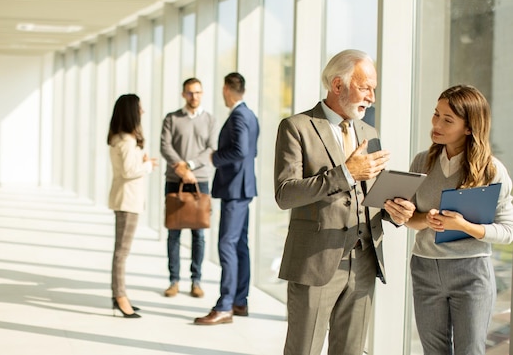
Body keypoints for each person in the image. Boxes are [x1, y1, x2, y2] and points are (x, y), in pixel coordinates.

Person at [274, 49, 414, 355]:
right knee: (303, 350)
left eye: (373, 90)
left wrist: (395, 211)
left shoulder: (369, 131)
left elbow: (369, 194)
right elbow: (285, 193)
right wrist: (345, 173)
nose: (371, 98)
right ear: (338, 85)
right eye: (365, 88)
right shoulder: (296, 127)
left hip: (364, 261)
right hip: (316, 262)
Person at [385, 85, 513, 354]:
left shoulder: (491, 170)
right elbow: (412, 220)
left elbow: (507, 230)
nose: (436, 124)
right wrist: (418, 217)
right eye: (436, 115)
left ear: (469, 127)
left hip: (471, 273)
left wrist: (463, 226)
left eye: (447, 120)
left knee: (470, 351)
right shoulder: (422, 162)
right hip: (425, 267)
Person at [194, 72, 259, 325]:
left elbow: (240, 151)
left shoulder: (239, 116)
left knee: (227, 245)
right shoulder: (250, 115)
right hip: (243, 188)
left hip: (235, 189)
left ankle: (224, 306)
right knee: (239, 244)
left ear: (226, 89)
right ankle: (239, 301)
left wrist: (214, 158)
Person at [160, 77, 218, 298]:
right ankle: (174, 280)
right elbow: (165, 146)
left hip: (200, 181)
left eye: (198, 92)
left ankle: (196, 280)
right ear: (183, 94)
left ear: (202, 94)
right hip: (175, 180)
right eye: (190, 92)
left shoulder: (210, 120)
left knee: (198, 234)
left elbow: (211, 149)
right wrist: (181, 168)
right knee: (173, 232)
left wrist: (191, 166)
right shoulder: (172, 118)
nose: (194, 96)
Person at [107, 94, 158, 319]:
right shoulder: (126, 141)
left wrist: (142, 161)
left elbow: (128, 167)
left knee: (121, 251)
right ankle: (120, 296)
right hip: (128, 201)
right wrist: (146, 166)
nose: (143, 112)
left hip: (125, 199)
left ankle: (119, 294)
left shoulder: (121, 139)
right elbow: (129, 172)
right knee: (122, 252)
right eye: (140, 108)